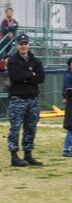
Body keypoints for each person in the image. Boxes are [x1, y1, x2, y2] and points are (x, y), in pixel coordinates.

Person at [7, 34, 44, 167]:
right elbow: (15, 76)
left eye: (25, 43)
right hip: (18, 99)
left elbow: (41, 78)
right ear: (17, 45)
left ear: (29, 45)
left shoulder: (35, 61)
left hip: (33, 98)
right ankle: (14, 156)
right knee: (15, 128)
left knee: (31, 127)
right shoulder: (12, 60)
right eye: (21, 44)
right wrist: (31, 75)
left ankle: (28, 154)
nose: (23, 46)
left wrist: (26, 76)